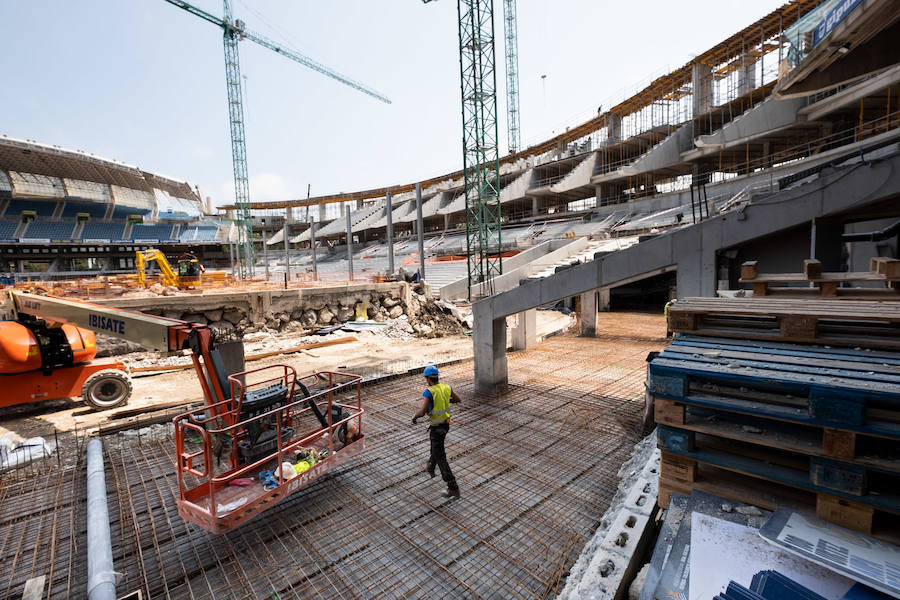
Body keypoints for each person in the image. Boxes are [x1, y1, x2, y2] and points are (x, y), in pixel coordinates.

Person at [412, 365, 461, 499]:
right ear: (437, 376)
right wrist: (446, 401)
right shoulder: (447, 387)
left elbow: (422, 412)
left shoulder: (429, 392)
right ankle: (431, 467)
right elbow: (458, 399)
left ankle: (453, 487)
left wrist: (414, 416)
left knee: (441, 457)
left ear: (427, 378)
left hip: (436, 428)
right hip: (445, 426)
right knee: (436, 448)